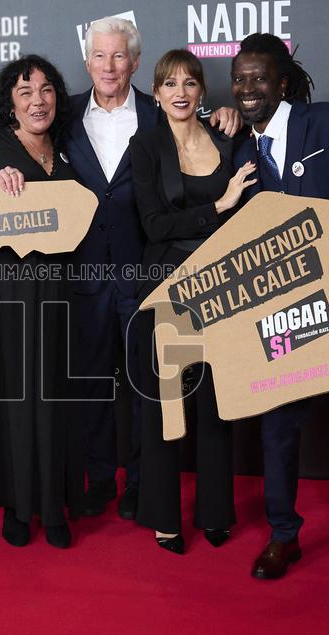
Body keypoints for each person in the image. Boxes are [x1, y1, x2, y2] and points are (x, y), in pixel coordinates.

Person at [0, 18, 242, 521]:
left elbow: (202, 144)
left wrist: (222, 115)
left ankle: (138, 484)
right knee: (88, 385)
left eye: (119, 56)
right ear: (87, 63)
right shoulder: (61, 117)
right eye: (100, 57)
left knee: (143, 386)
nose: (109, 67)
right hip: (79, 273)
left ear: (134, 62)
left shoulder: (162, 114)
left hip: (145, 271)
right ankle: (100, 478)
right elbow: (13, 132)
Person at [231, 33, 329, 598]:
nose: (248, 89)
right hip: (283, 314)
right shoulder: (240, 151)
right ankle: (283, 534)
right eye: (240, 79)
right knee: (277, 428)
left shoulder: (325, 123)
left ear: (282, 81)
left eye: (259, 78)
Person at [128, 50, 256, 554]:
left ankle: (216, 511)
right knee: (168, 404)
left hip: (223, 286)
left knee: (215, 402)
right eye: (169, 84)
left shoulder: (227, 137)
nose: (180, 92)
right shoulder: (144, 147)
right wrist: (218, 207)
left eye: (190, 82)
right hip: (165, 286)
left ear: (202, 91)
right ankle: (165, 515)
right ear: (156, 94)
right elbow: (154, 225)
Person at [0, 55, 79, 549]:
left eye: (46, 90)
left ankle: (55, 504)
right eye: (25, 92)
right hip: (2, 296)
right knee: (14, 404)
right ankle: (18, 507)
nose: (37, 100)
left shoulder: (69, 146)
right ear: (9, 103)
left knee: (55, 402)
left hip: (57, 295)